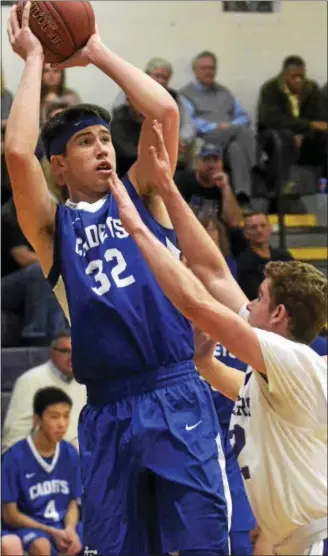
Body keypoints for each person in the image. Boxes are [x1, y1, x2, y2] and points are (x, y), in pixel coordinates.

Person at [6, 4, 230, 555]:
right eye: (87, 142)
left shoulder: (144, 195)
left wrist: (96, 51)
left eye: (106, 138)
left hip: (176, 389)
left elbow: (165, 115)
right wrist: (35, 58)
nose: (103, 148)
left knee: (203, 544)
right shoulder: (52, 230)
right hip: (107, 408)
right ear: (59, 166)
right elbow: (16, 150)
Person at [108, 120, 327, 555]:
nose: (248, 303)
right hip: (291, 540)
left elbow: (197, 301)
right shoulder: (273, 380)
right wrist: (169, 190)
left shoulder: (293, 360)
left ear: (279, 315)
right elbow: (212, 272)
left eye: (260, 298)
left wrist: (138, 230)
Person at [1, 387, 83, 556]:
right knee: (41, 545)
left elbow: (73, 503)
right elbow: (10, 514)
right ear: (37, 420)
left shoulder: (70, 453)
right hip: (31, 528)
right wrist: (51, 531)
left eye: (66, 416)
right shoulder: (14, 457)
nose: (62, 424)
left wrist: (70, 529)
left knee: (99, 537)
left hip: (62, 525)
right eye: (54, 417)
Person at [180, 50, 256, 198]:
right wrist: (216, 126)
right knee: (239, 131)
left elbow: (244, 117)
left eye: (212, 68)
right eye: (204, 68)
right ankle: (257, 165)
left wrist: (230, 125)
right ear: (195, 71)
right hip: (205, 138)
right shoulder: (185, 94)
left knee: (237, 149)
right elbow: (191, 123)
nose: (209, 71)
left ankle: (242, 195)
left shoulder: (224, 92)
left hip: (229, 136)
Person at [2, 331, 86, 453]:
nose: (72, 357)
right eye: (65, 351)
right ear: (52, 352)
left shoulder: (89, 382)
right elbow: (13, 438)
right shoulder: (30, 381)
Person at [1, 198, 67, 346]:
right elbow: (23, 257)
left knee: (61, 273)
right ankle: (37, 334)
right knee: (40, 270)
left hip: (38, 281)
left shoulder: (53, 211)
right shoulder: (10, 213)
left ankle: (60, 336)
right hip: (7, 285)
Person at [258, 56, 328, 184]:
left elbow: (320, 118)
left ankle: (322, 184)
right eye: (293, 76)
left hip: (306, 134)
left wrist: (304, 132)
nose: (298, 80)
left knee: (323, 136)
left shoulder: (311, 88)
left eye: (301, 76)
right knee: (284, 138)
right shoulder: (270, 89)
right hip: (275, 134)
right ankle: (281, 188)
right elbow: (272, 120)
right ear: (284, 75)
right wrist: (305, 127)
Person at [176, 143, 244, 226]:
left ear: (221, 164)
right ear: (197, 163)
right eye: (206, 159)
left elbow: (235, 222)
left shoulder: (225, 186)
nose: (211, 165)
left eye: (216, 160)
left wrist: (225, 188)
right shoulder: (183, 180)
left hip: (213, 235)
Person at [237, 211, 293, 300]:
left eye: (263, 226)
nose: (259, 230)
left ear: (270, 228)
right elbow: (255, 293)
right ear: (246, 234)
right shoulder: (243, 263)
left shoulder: (284, 257)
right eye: (253, 227)